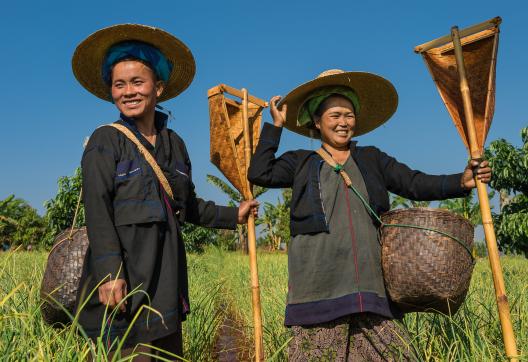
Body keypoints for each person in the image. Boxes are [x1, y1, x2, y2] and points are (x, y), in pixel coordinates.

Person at [247, 69, 491, 361]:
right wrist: (275, 127)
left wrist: (459, 182)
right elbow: (260, 173)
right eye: (335, 115)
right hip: (319, 286)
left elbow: (413, 182)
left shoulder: (372, 158)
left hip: (371, 286)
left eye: (349, 115)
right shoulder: (300, 162)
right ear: (317, 120)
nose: (343, 122)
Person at [72, 24, 257, 359]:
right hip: (125, 284)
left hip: (166, 282)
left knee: (168, 352)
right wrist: (111, 274)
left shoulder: (175, 145)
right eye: (119, 84)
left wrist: (235, 214)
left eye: (137, 82)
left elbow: (186, 206)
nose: (128, 91)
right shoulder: (106, 140)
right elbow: (97, 210)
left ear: (158, 87)